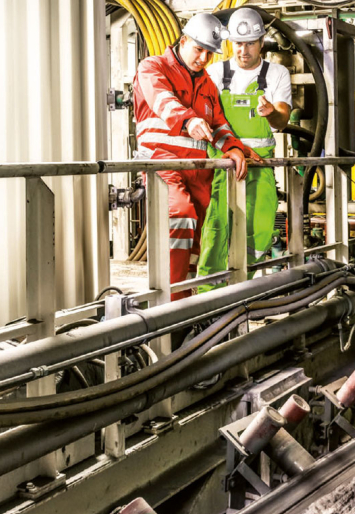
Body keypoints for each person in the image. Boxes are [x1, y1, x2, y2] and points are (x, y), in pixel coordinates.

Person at [133, 13, 251, 300]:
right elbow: (162, 100)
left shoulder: (207, 85)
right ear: (184, 40)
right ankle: (169, 302)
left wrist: (233, 148)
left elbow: (219, 125)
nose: (203, 58)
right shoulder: (153, 67)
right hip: (163, 164)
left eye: (209, 53)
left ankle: (185, 301)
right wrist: (187, 119)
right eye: (199, 49)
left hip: (198, 173)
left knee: (195, 238)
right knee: (180, 215)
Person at [197, 7, 293, 292]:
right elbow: (206, 115)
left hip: (260, 167)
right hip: (222, 166)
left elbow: (283, 119)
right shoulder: (215, 72)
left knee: (259, 228)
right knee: (216, 229)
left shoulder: (276, 73)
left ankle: (241, 289)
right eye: (238, 43)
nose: (243, 50)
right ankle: (209, 297)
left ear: (262, 42)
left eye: (250, 43)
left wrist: (271, 113)